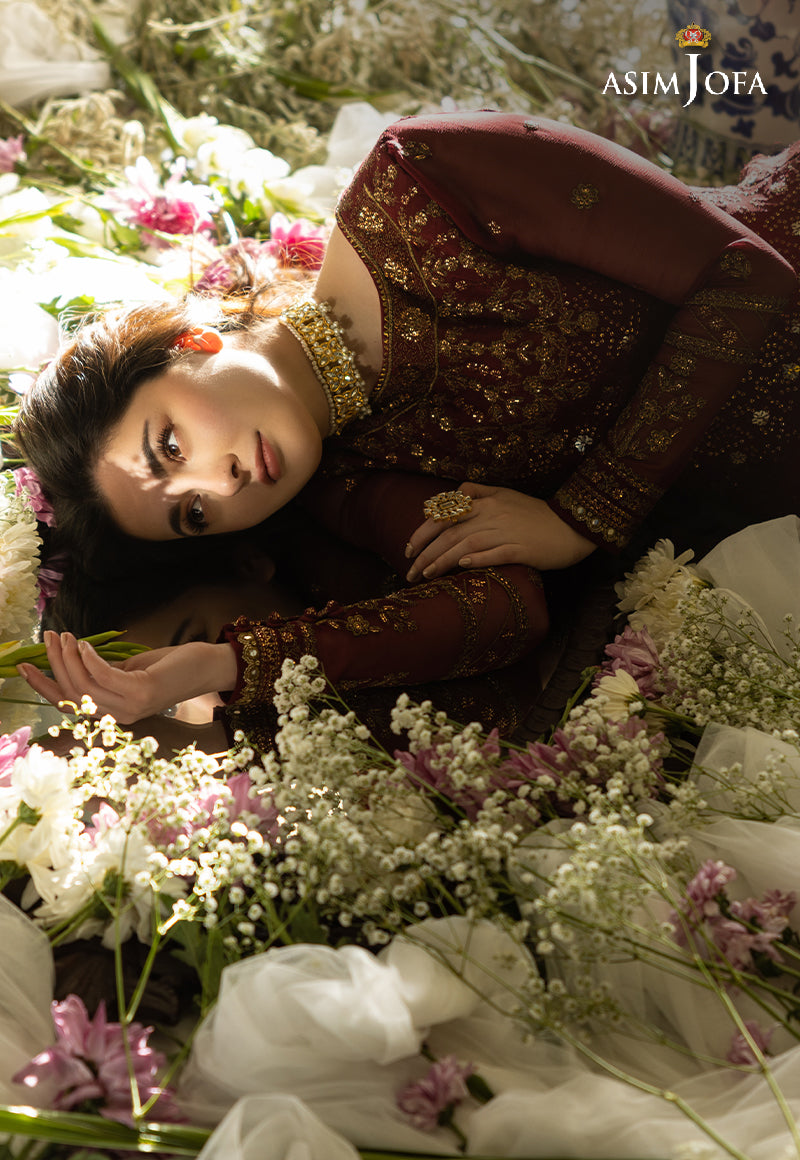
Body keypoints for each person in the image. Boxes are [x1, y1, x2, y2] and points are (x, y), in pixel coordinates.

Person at [12, 110, 800, 740]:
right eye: (192, 515)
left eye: (169, 445)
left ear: (188, 343)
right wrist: (219, 667)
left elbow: (748, 269)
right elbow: (500, 610)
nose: (220, 485)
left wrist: (584, 514)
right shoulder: (350, 482)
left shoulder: (419, 183)